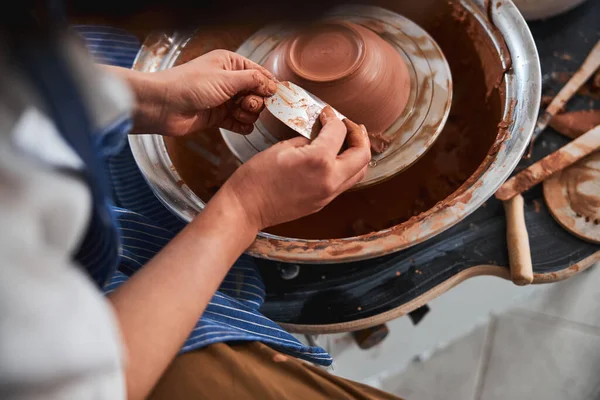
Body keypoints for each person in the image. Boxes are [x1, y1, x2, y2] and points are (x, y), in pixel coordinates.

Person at [0, 4, 402, 400]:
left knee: (104, 48)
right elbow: (79, 387)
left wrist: (149, 97)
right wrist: (246, 209)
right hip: (70, 361)